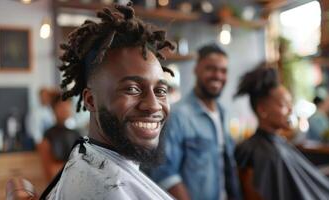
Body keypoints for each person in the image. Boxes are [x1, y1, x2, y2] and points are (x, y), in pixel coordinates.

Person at [40, 3, 175, 199]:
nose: (154, 105)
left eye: (160, 90)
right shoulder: (106, 191)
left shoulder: (91, 158)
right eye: (132, 89)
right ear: (91, 100)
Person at [234, 65, 329, 200]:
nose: (291, 110)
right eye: (284, 105)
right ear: (262, 110)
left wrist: (328, 187)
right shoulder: (268, 154)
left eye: (291, 103)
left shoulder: (271, 144)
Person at [149, 44, 242, 200]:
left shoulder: (223, 114)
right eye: (211, 69)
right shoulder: (178, 115)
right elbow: (165, 173)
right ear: (196, 69)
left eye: (223, 71)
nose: (218, 75)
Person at [39, 93, 81, 180]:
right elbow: (51, 172)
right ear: (54, 109)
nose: (65, 109)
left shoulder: (76, 133)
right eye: (62, 106)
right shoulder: (48, 135)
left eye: (68, 106)